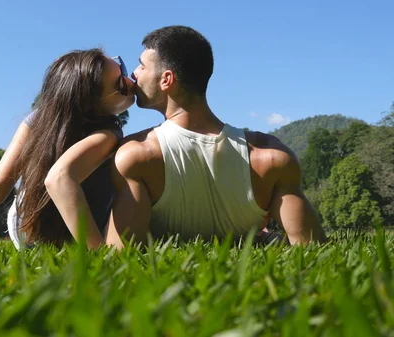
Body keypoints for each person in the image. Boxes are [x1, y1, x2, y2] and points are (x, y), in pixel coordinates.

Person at [105, 26, 327, 248]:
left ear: (166, 80)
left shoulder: (136, 155)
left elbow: (122, 254)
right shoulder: (271, 157)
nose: (134, 74)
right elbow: (311, 249)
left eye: (142, 66)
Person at [0, 48, 135, 252]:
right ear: (93, 104)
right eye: (120, 84)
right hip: (74, 233)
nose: (130, 82)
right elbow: (59, 179)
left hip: (26, 227)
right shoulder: (108, 133)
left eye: (122, 69)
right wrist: (97, 252)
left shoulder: (39, 119)